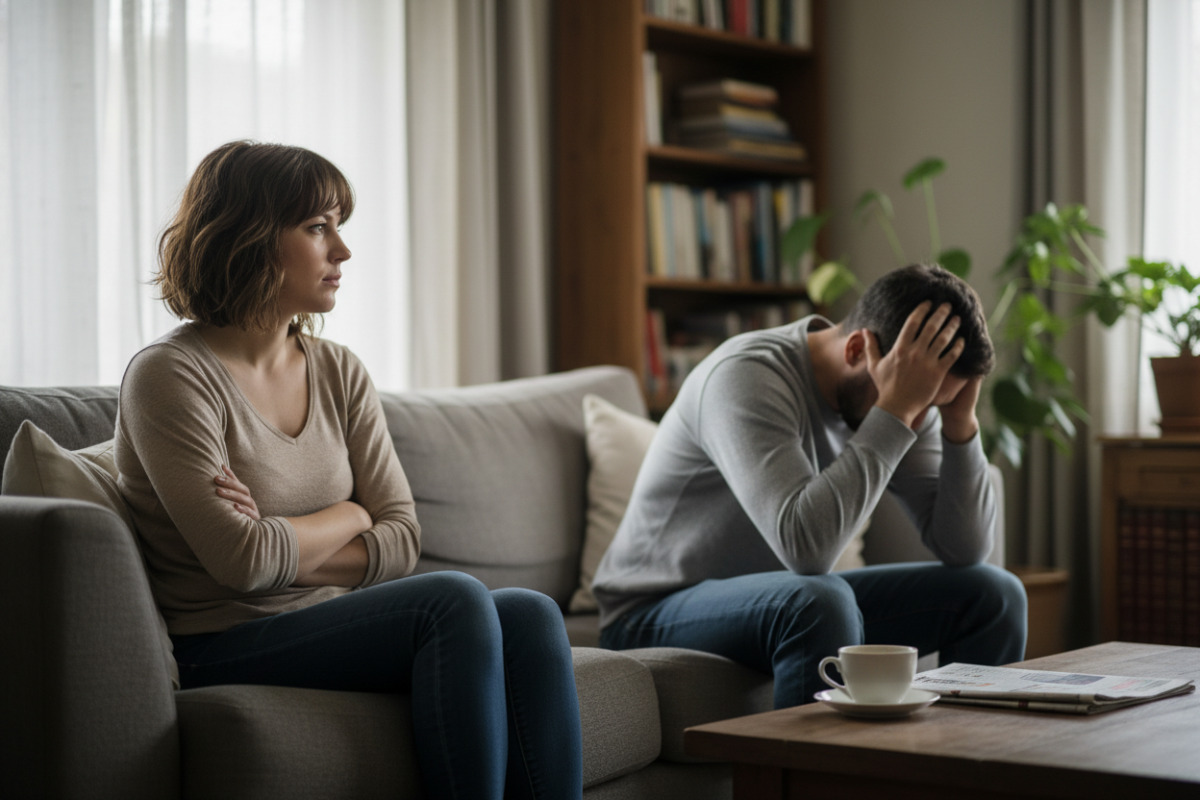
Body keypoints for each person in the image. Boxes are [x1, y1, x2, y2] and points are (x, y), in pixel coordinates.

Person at [114, 140, 582, 799]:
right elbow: (240, 564)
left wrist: (288, 536)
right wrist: (351, 514)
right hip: (218, 642)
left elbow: (401, 539)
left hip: (322, 621)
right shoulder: (169, 376)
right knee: (451, 600)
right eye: (317, 228)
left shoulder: (338, 371)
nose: (343, 252)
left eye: (340, 227)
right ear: (248, 238)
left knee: (530, 614)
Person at [593, 263, 1027, 709]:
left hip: (780, 602)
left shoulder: (906, 399)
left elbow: (965, 550)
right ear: (859, 349)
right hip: (652, 611)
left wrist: (960, 422)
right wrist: (896, 410)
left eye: (932, 404)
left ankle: (957, 775)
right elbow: (808, 550)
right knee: (820, 600)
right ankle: (812, 780)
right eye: (916, 405)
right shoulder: (745, 375)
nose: (918, 422)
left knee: (993, 594)